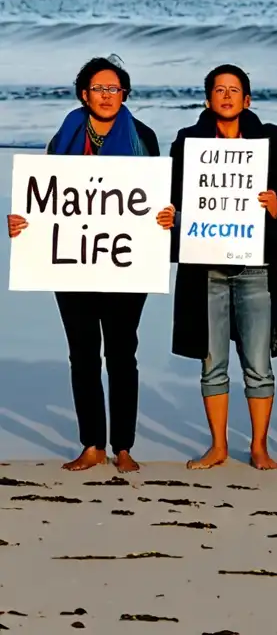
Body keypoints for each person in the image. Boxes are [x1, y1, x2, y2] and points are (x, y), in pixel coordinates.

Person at [6, 56, 174, 473]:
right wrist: (22, 222)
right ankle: (91, 444)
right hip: (72, 262)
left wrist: (166, 217)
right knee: (82, 354)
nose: (106, 96)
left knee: (121, 354)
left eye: (114, 89)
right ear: (84, 94)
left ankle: (123, 447)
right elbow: (42, 197)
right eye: (98, 89)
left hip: (125, 263)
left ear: (125, 94)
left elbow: (157, 196)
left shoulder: (144, 137)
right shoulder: (64, 135)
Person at [170, 64, 277, 471]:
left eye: (234, 90)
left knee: (258, 362)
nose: (226, 96)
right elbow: (176, 198)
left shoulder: (274, 140)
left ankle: (259, 447)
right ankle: (217, 446)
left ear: (247, 100)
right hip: (207, 268)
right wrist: (170, 217)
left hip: (258, 267)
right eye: (219, 89)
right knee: (212, 361)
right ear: (208, 99)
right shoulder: (189, 142)